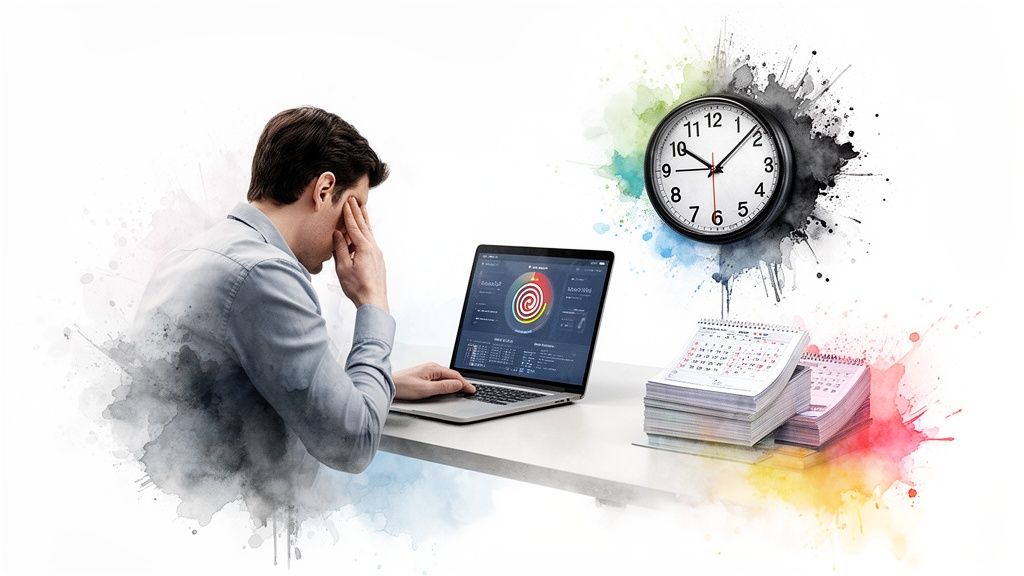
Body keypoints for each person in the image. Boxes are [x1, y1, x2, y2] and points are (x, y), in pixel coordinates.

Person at [109, 106, 475, 523]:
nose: (354, 231)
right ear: (324, 190)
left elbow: (255, 383)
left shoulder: (197, 253)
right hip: (239, 526)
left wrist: (382, 385)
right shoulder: (264, 273)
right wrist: (373, 300)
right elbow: (352, 443)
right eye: (355, 208)